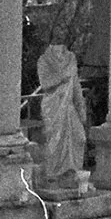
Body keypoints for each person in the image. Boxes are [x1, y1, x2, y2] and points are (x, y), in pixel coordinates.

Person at [34, 42, 88, 191]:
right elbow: (45, 84)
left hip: (69, 106)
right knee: (56, 140)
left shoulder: (71, 58)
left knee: (79, 137)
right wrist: (61, 78)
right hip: (53, 105)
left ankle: (72, 172)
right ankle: (54, 175)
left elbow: (75, 83)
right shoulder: (44, 60)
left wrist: (80, 106)